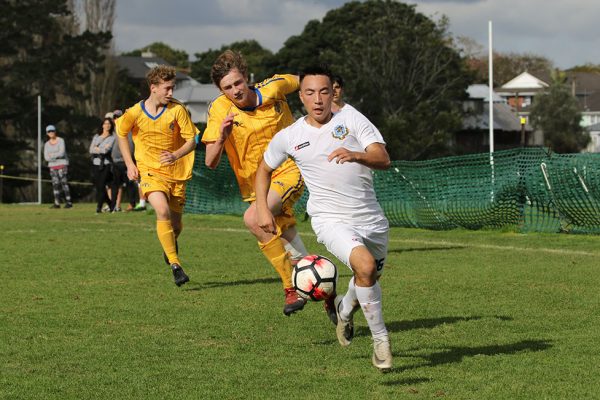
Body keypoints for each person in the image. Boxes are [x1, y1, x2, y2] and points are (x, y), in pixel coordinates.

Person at [255, 66, 393, 371]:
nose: (317, 99)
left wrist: (356, 155)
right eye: (309, 93)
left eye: (323, 92)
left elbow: (383, 158)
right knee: (365, 266)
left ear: (334, 92)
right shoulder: (290, 136)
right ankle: (381, 340)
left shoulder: (352, 119)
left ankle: (345, 308)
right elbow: (263, 170)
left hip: (371, 219)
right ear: (301, 97)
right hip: (330, 219)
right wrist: (264, 209)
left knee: (367, 278)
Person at [202, 50, 309, 316]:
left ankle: (290, 289)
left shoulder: (275, 86)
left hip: (289, 171)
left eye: (238, 83)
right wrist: (221, 137)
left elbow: (309, 83)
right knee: (296, 253)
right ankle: (332, 299)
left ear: (246, 77)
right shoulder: (218, 109)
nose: (235, 91)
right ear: (220, 90)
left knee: (253, 219)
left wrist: (328, 109)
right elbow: (210, 162)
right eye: (227, 87)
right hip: (254, 187)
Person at [115, 65, 198, 287]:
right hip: (150, 171)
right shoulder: (135, 112)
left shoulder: (177, 110)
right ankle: (176, 265)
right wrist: (130, 164)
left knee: (177, 225)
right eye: (167, 89)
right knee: (161, 211)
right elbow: (121, 133)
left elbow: (192, 140)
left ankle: (169, 245)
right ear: (153, 88)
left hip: (177, 173)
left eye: (173, 88)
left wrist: (175, 154)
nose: (171, 93)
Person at [90, 118, 116, 213]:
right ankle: (110, 204)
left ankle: (99, 207)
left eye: (109, 124)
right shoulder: (96, 136)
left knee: (102, 185)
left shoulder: (112, 137)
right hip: (95, 164)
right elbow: (91, 149)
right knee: (98, 187)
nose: (107, 125)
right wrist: (99, 149)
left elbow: (106, 150)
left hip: (105, 164)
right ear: (102, 125)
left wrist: (97, 148)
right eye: (105, 123)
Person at [43, 125, 73, 209]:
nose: (51, 133)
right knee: (55, 184)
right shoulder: (46, 144)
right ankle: (57, 203)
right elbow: (46, 157)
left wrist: (52, 156)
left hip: (62, 165)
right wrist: (56, 156)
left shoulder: (61, 140)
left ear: (55, 131)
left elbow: (62, 153)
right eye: (49, 131)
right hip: (52, 166)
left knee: (64, 183)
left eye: (52, 131)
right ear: (47, 133)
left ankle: (69, 202)